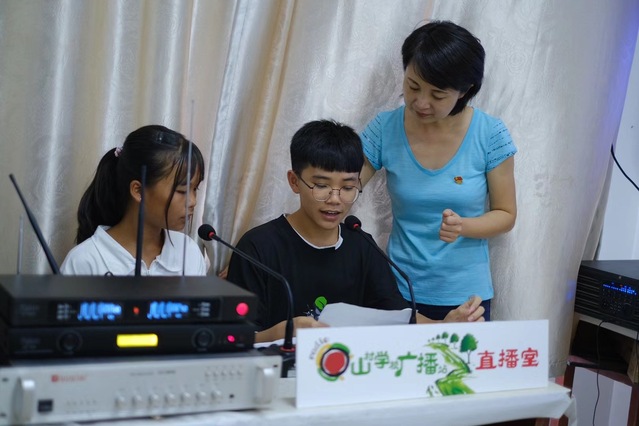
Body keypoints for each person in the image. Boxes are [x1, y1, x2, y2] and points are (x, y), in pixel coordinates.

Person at [226, 119, 484, 343]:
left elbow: (398, 317)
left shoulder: (361, 245)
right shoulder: (258, 247)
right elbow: (234, 338)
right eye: (321, 186)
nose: (335, 199)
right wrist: (283, 332)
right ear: (294, 181)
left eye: (348, 188)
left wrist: (444, 325)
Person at [359, 21, 517, 320]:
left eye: (438, 94)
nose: (421, 102)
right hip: (399, 289)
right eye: (412, 86)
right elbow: (346, 185)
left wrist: (463, 227)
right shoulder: (384, 128)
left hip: (465, 296)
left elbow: (506, 214)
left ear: (465, 90)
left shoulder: (489, 134)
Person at [61, 125, 207, 276]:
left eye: (195, 189)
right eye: (182, 191)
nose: (192, 202)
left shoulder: (188, 252)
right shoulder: (84, 261)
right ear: (138, 190)